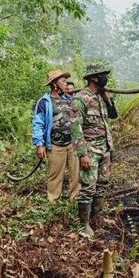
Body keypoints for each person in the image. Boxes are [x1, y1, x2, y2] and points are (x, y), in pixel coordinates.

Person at [70, 64, 118, 237]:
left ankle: (97, 217)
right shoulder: (80, 99)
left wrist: (107, 99)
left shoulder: (101, 97)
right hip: (90, 150)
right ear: (93, 78)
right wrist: (82, 154)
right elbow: (76, 129)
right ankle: (84, 224)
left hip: (105, 149)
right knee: (88, 187)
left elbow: (113, 116)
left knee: (102, 184)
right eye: (103, 75)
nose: (106, 78)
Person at [32, 70, 81, 203]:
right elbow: (38, 124)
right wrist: (39, 144)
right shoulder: (44, 102)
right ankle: (53, 201)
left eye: (66, 81)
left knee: (76, 174)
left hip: (72, 143)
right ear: (55, 84)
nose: (66, 84)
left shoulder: (69, 100)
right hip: (55, 145)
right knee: (55, 175)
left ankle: (74, 199)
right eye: (63, 81)